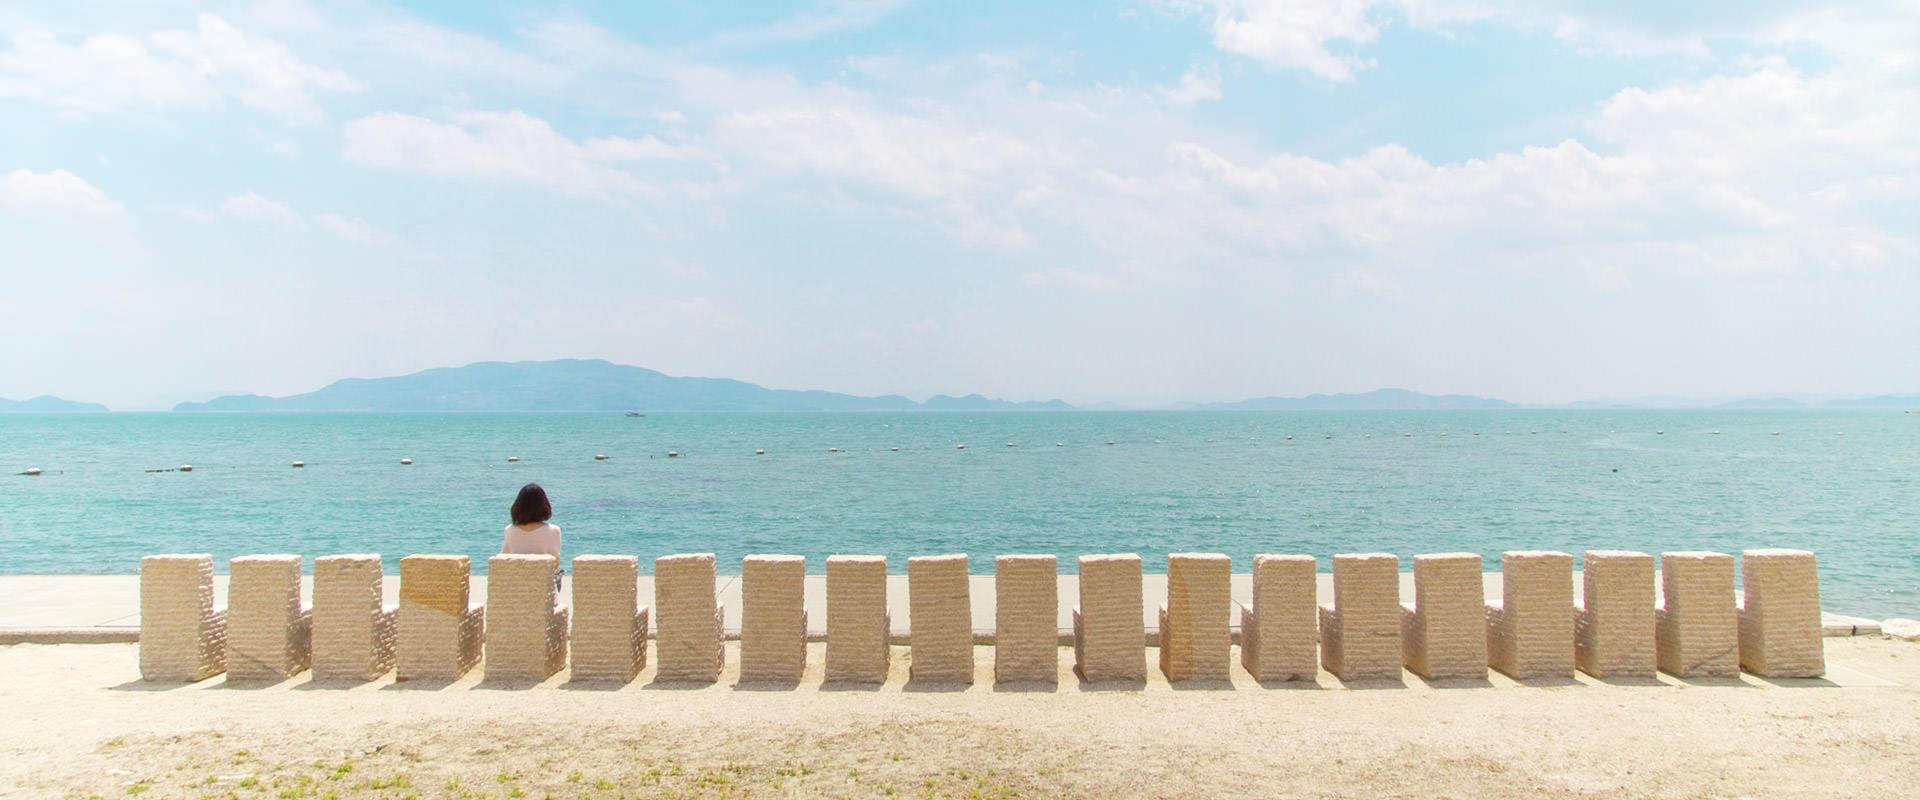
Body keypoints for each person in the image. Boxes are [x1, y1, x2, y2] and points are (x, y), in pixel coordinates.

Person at [502, 483, 562, 591]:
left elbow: (504, 558)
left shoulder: (509, 530)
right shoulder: (554, 530)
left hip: (517, 587)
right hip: (542, 587)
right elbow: (555, 562)